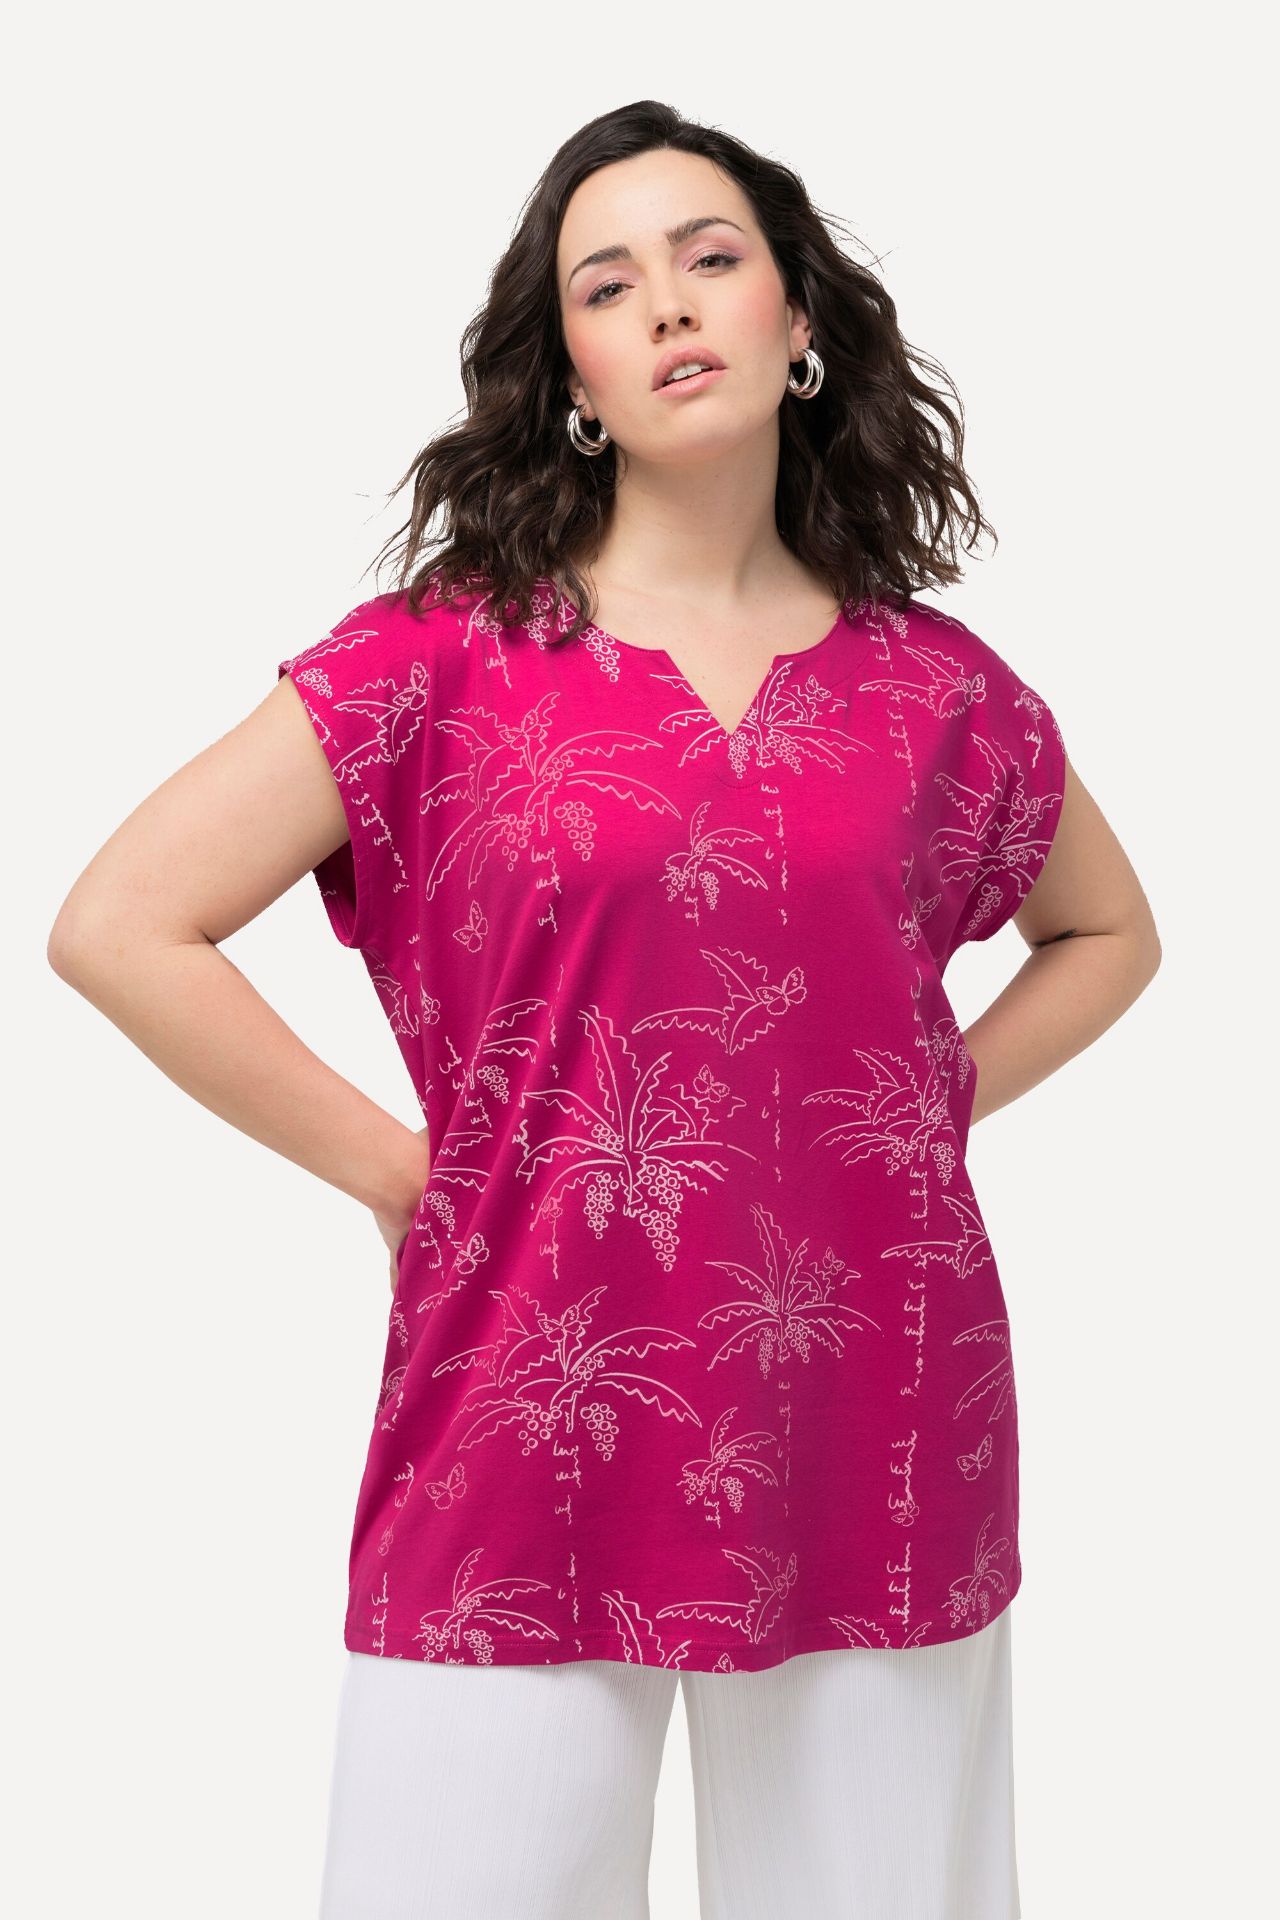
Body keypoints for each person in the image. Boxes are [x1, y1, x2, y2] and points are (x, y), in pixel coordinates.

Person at [48, 101, 1161, 1920]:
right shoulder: (437, 661)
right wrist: (402, 1172)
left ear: (801, 321)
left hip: (875, 1410)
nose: (669, 303)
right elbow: (120, 923)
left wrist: (921, 1100)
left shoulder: (940, 692)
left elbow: (1109, 931)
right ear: (571, 370)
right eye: (608, 282)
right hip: (521, 1399)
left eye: (712, 257)